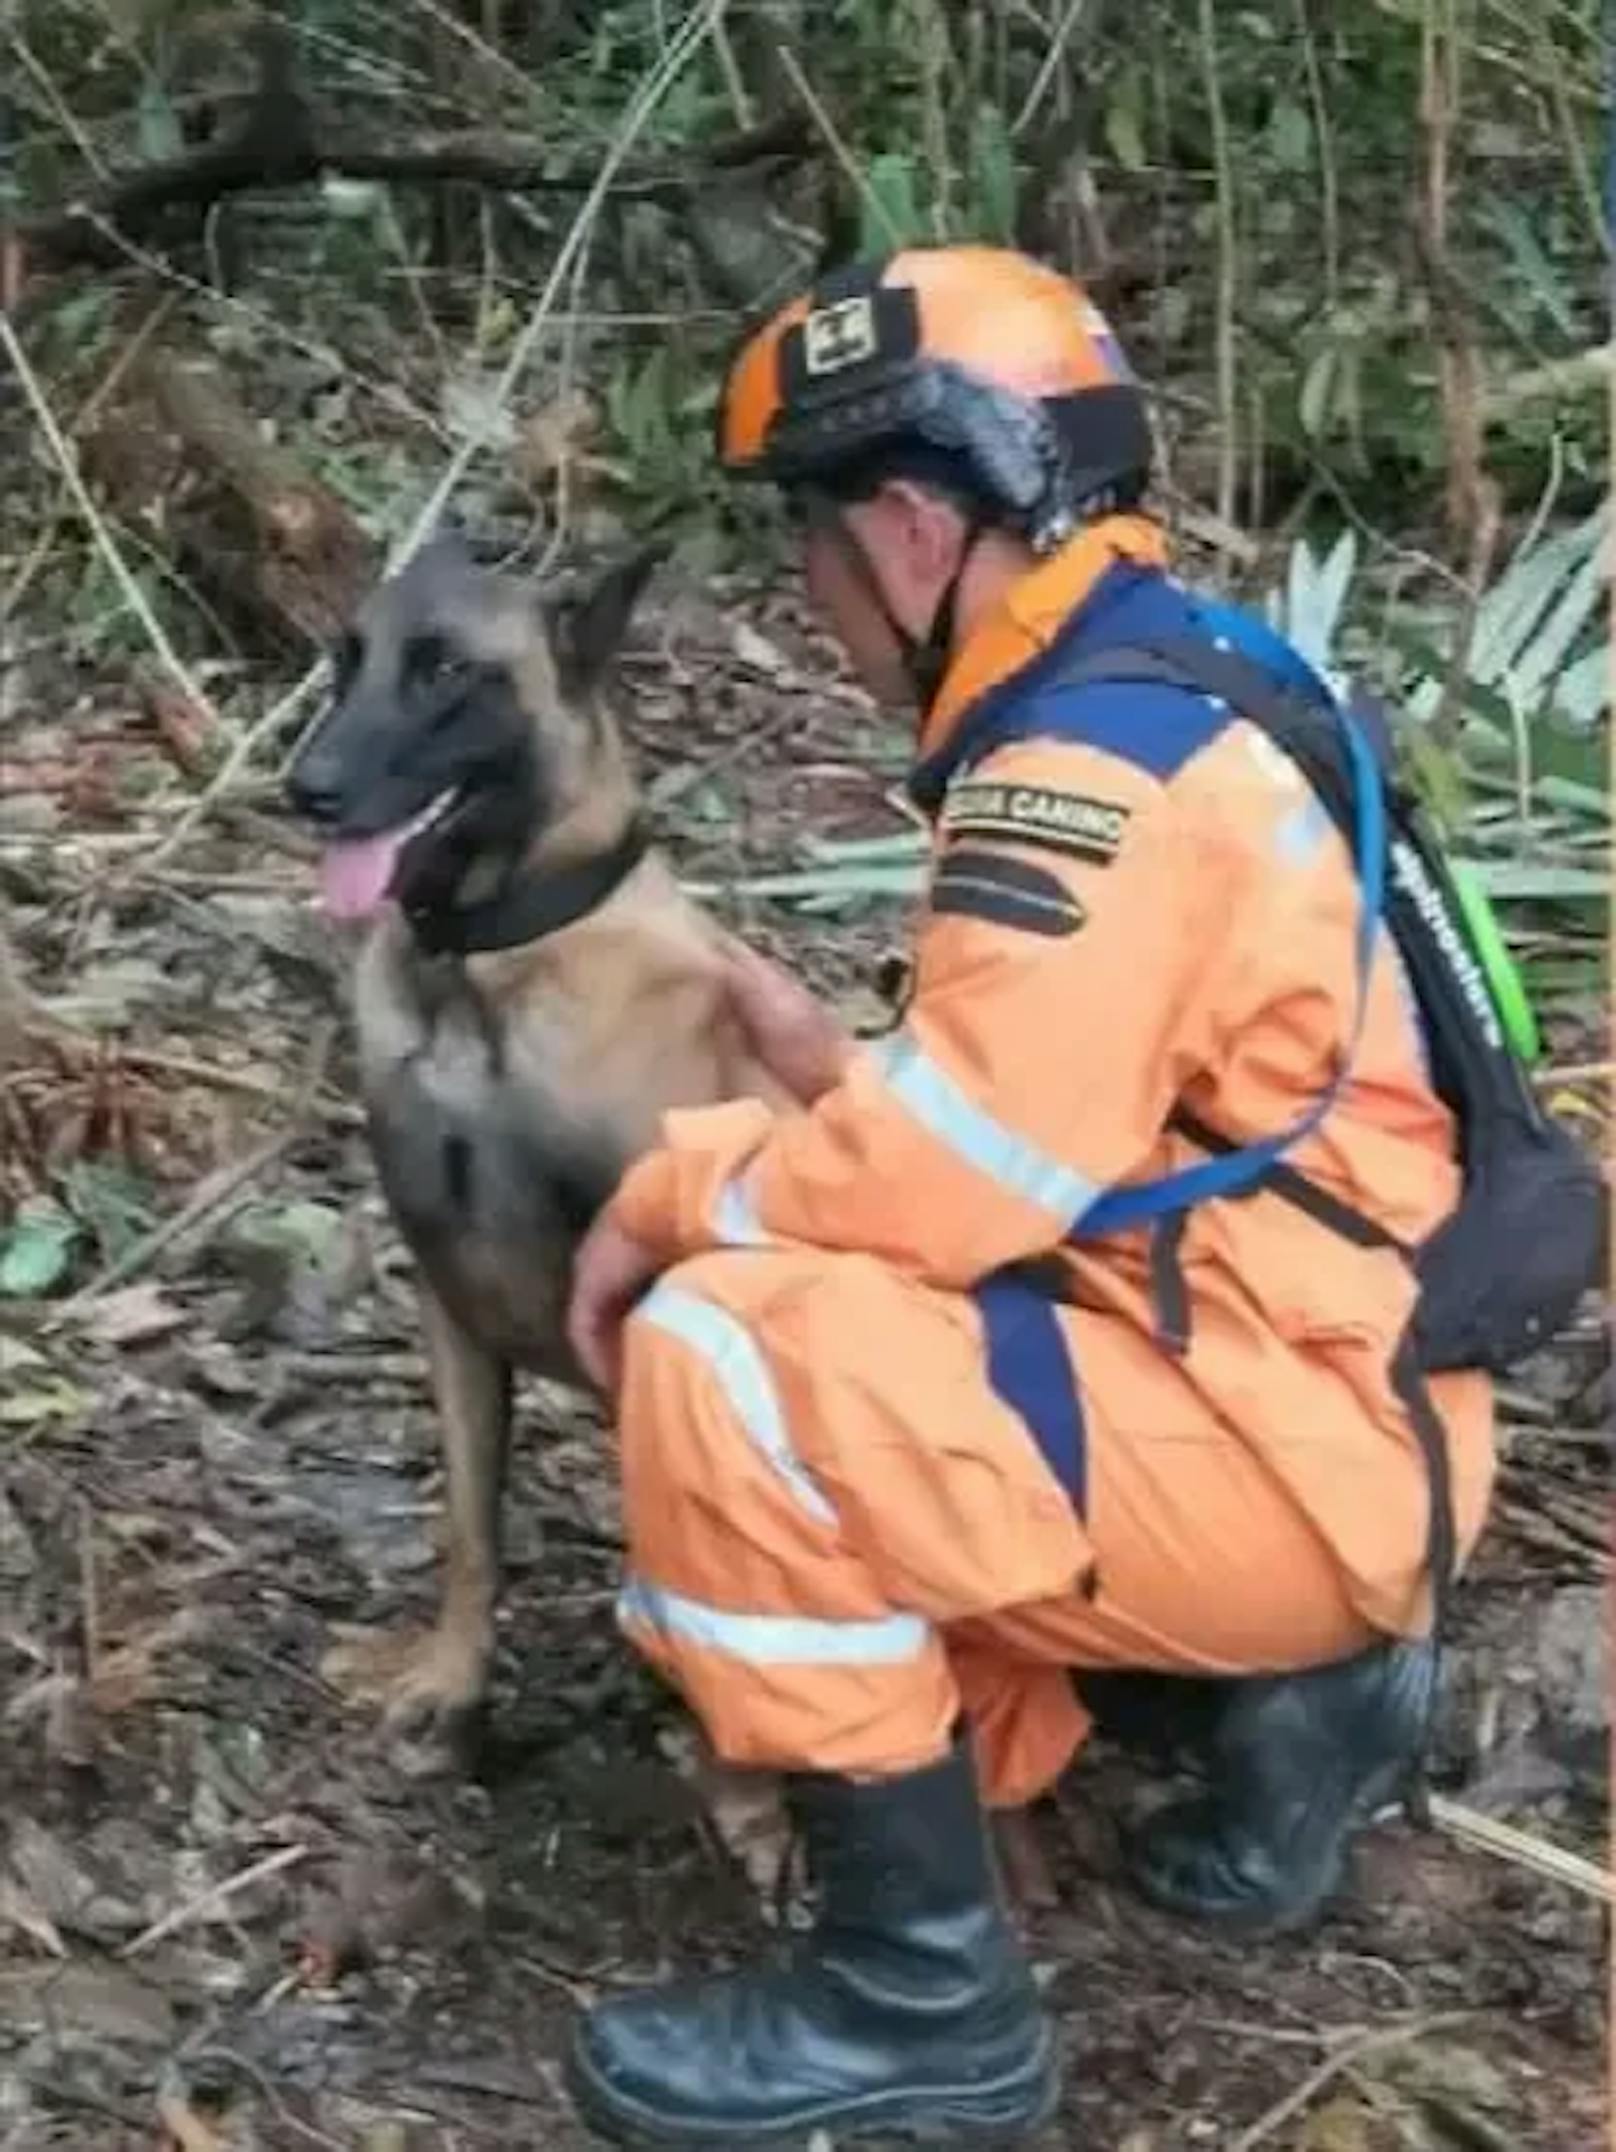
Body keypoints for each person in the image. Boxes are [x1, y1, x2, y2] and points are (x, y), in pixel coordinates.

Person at [561, 245, 1496, 2148]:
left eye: (807, 551)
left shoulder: (1087, 773)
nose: (811, 604)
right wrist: (840, 1093)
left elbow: (938, 1186)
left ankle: (923, 2010)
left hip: (1288, 1444)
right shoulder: (1209, 682)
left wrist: (675, 1188)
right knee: (835, 1319)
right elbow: (1103, 1122)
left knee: (731, 1355)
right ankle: (1282, 1709)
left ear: (911, 532)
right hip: (1342, 1401)